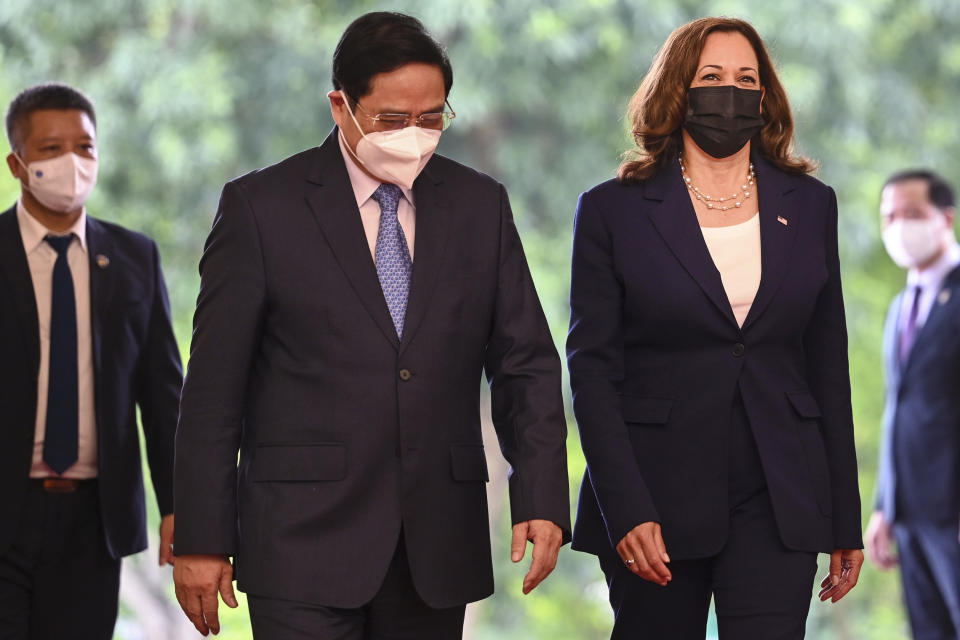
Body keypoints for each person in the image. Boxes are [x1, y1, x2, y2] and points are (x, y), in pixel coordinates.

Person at [172, 11, 570, 639]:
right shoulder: (260, 209)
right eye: (391, 119)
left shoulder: (479, 205)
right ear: (341, 106)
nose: (414, 134)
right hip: (299, 544)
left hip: (436, 545)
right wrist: (200, 537)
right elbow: (212, 392)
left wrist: (543, 494)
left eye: (432, 117)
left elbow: (527, 365)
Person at [567, 17, 864, 639]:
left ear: (765, 97)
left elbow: (827, 369)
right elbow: (593, 372)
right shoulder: (612, 209)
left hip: (780, 494)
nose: (729, 92)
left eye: (746, 79)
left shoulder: (810, 205)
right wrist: (625, 509)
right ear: (678, 88)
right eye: (711, 77)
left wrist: (844, 519)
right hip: (655, 496)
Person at [0, 83, 183, 638]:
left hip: (93, 522)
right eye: (51, 149)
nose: (72, 162)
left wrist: (180, 504)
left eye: (84, 147)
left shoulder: (134, 257)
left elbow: (163, 394)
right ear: (17, 163)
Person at [865, 169, 960, 639]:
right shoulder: (903, 305)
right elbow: (898, 409)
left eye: (913, 214)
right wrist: (886, 503)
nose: (899, 226)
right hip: (911, 514)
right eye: (890, 216)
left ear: (945, 218)